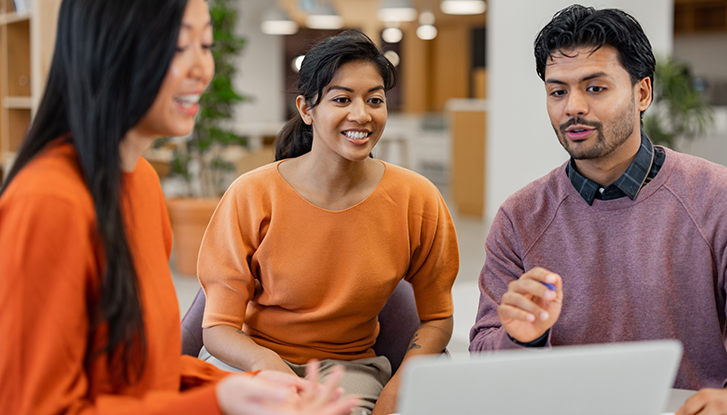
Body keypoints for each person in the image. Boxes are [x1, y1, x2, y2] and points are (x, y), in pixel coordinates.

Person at [0, 0, 357, 414]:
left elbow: (146, 374)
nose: (201, 69)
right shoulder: (48, 202)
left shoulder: (142, 184)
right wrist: (218, 402)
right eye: (176, 48)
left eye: (204, 45)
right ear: (109, 48)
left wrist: (250, 390)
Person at [468, 4, 727, 415]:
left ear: (642, 92)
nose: (573, 106)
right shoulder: (520, 218)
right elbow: (483, 356)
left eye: (595, 88)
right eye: (558, 91)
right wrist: (522, 339)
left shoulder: (717, 197)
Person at [196, 30, 459, 415]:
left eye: (375, 100)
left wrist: (397, 390)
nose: (362, 115)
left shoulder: (415, 198)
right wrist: (273, 372)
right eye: (341, 99)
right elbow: (218, 328)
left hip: (347, 371)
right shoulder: (252, 194)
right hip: (252, 360)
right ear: (306, 109)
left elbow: (438, 317)